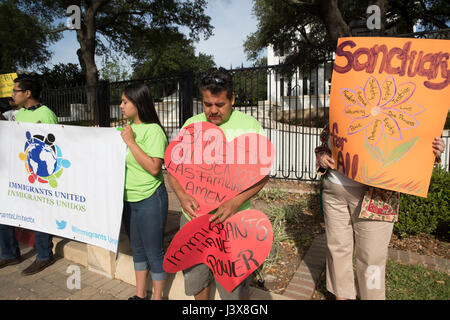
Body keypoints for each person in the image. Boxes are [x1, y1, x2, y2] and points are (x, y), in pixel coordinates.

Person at [167, 67, 269, 300]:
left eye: (220, 105)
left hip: (234, 224)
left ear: (232, 99)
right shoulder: (191, 125)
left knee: (234, 289)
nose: (213, 111)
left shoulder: (249, 126)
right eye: (207, 104)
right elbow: (172, 167)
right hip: (193, 222)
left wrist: (235, 202)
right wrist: (182, 195)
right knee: (197, 279)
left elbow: (263, 175)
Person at [314, 123, 446, 300]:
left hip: (378, 197)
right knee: (337, 249)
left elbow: (413, 142)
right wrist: (322, 157)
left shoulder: (395, 111)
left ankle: (372, 297)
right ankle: (342, 296)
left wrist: (432, 151)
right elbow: (325, 142)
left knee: (372, 257)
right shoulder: (346, 100)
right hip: (334, 192)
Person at [0, 77, 58, 275]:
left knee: (40, 214)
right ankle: (10, 254)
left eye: (15, 90)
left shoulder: (46, 114)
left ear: (27, 93)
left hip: (37, 175)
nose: (12, 94)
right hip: (16, 173)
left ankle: (44, 255)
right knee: (4, 210)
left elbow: (55, 146)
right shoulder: (19, 114)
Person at [119, 83, 169, 300]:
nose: (120, 106)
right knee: (137, 250)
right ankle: (140, 295)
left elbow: (154, 167)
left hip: (150, 198)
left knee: (153, 252)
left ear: (138, 104)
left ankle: (157, 297)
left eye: (125, 102)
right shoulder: (125, 130)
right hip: (128, 199)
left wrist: (130, 142)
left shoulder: (153, 130)